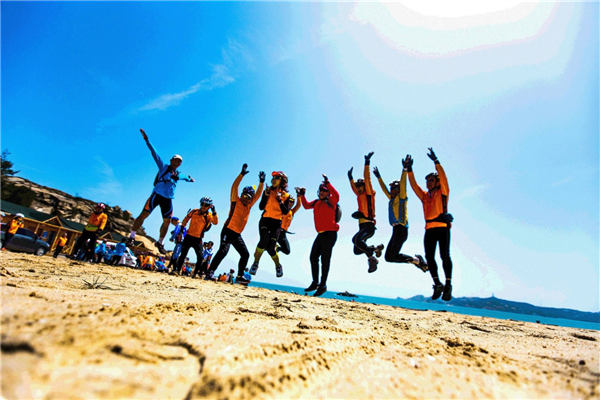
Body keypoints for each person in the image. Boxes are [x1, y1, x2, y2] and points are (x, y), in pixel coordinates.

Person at [129, 128, 194, 254]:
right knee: (144, 215)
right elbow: (154, 153)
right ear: (171, 160)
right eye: (175, 160)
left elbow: (184, 177)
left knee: (167, 222)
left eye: (179, 161)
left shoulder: (178, 174)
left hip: (168, 200)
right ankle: (131, 237)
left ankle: (160, 242)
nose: (177, 162)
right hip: (157, 195)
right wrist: (147, 140)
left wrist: (190, 179)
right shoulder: (163, 167)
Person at [407, 148, 454, 301]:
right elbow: (414, 186)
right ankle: (437, 283)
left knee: (444, 255)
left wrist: (436, 162)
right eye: (426, 181)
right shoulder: (425, 196)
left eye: (431, 180)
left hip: (442, 228)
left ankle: (448, 285)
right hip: (429, 230)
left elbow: (443, 177)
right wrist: (409, 170)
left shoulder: (443, 191)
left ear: (437, 182)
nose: (428, 183)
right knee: (429, 257)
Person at [209, 164, 265, 284]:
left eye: (249, 198)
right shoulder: (236, 201)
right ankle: (210, 272)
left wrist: (261, 182)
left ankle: (239, 277)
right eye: (244, 196)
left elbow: (258, 194)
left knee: (245, 254)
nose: (246, 199)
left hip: (237, 234)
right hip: (227, 230)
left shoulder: (249, 205)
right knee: (223, 251)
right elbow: (234, 187)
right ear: (241, 195)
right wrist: (241, 174)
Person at [373, 158, 428, 272]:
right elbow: (384, 189)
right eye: (391, 188)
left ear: (398, 190)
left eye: (394, 188)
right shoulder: (392, 199)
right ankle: (417, 261)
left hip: (402, 230)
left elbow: (403, 184)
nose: (391, 190)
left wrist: (404, 170)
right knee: (388, 257)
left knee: (393, 255)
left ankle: (418, 261)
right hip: (396, 230)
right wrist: (379, 177)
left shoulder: (402, 197)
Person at [298, 174, 340, 297]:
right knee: (313, 257)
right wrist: (302, 195)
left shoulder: (331, 201)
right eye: (320, 190)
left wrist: (328, 183)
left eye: (324, 191)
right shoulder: (316, 202)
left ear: (328, 193)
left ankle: (323, 285)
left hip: (330, 234)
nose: (322, 192)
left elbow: (337, 195)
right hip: (320, 235)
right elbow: (305, 206)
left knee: (325, 260)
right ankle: (315, 282)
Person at [249, 171, 291, 278]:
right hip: (265, 220)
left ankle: (278, 266)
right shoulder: (267, 191)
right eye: (273, 177)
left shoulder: (287, 196)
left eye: (276, 177)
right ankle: (255, 263)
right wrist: (266, 195)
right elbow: (261, 207)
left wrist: (279, 200)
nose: (273, 179)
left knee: (271, 247)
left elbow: (286, 212)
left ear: (282, 181)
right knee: (263, 241)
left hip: (277, 223)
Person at [348, 152, 384, 273]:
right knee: (357, 250)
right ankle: (375, 249)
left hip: (369, 226)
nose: (358, 188)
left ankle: (373, 259)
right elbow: (353, 188)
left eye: (360, 186)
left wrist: (367, 163)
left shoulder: (369, 194)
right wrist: (350, 178)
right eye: (357, 186)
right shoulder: (359, 194)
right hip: (362, 227)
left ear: (364, 185)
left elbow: (367, 179)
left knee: (356, 241)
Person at [173, 197, 218, 275]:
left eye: (206, 205)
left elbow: (215, 222)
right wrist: (182, 229)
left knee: (200, 257)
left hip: (198, 239)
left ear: (209, 206)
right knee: (183, 254)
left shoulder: (209, 216)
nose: (203, 206)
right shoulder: (194, 211)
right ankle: (177, 270)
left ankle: (195, 274)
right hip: (188, 236)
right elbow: (186, 219)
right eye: (202, 204)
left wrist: (214, 211)